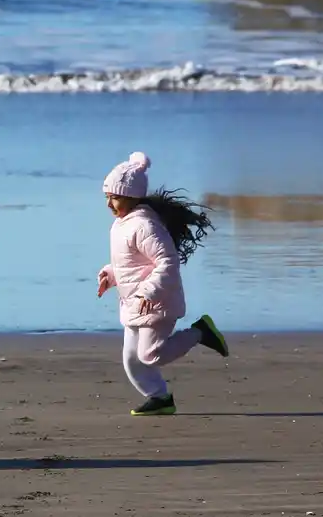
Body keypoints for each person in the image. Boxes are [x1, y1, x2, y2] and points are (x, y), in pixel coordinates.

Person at [95, 151, 228, 416]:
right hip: (134, 303)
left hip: (157, 301)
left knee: (151, 355)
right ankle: (159, 398)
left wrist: (149, 292)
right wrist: (111, 275)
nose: (109, 203)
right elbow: (131, 263)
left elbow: (167, 262)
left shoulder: (145, 225)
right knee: (131, 360)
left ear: (133, 197)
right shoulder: (121, 224)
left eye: (115, 197)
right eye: (107, 197)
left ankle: (200, 332)